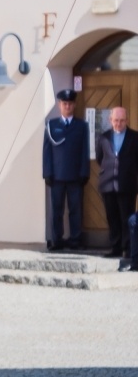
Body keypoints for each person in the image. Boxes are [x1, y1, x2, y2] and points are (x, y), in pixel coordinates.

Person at [42, 88, 90, 251]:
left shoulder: (82, 126)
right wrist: (47, 173)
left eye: (70, 104)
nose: (67, 106)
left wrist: (85, 172)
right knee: (57, 211)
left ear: (74, 105)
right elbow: (47, 151)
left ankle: (75, 239)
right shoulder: (51, 125)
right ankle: (57, 240)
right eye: (64, 104)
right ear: (59, 105)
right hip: (56, 177)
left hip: (76, 177)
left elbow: (84, 151)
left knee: (75, 210)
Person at [95, 107, 138, 258]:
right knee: (112, 217)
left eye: (121, 120)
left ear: (127, 120)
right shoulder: (103, 137)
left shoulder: (135, 137)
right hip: (107, 184)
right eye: (115, 120)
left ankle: (128, 248)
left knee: (127, 217)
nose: (118, 124)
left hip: (127, 185)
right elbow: (100, 158)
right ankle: (116, 247)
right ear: (110, 120)